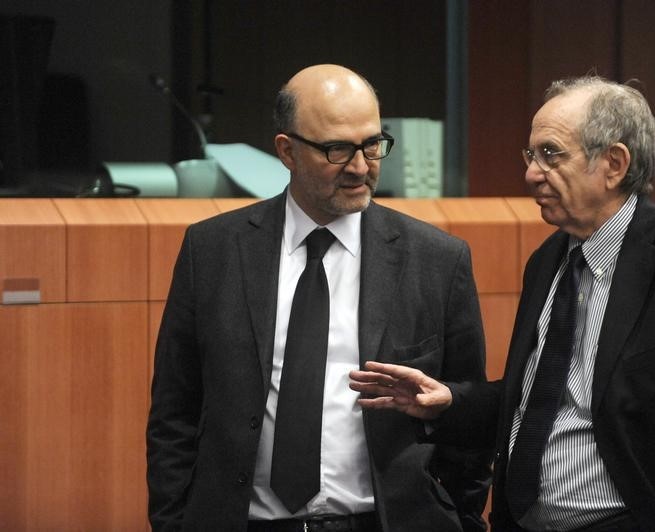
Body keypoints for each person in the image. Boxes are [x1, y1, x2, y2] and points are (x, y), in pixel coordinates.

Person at [350, 75, 655, 531]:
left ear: (613, 164)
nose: (532, 173)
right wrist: (450, 403)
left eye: (551, 155)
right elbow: (542, 399)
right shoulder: (549, 260)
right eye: (531, 155)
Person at [146, 64, 491, 532]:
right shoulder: (213, 252)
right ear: (286, 151)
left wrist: (463, 521)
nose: (359, 167)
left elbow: (467, 415)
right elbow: (175, 412)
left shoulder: (436, 259)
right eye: (336, 149)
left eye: (372, 144)